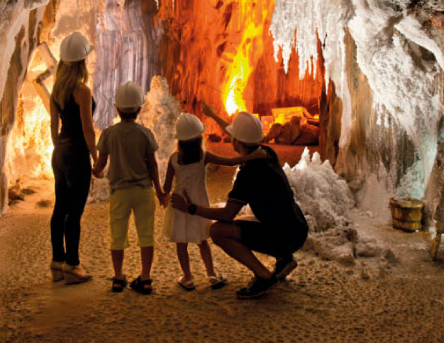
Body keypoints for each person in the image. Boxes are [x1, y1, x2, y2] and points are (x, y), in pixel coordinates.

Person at [172, 108, 309, 299]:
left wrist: (191, 208)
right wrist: (212, 114)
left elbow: (227, 214)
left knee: (217, 231)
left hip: (285, 236)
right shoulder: (266, 153)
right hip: (297, 226)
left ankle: (264, 276)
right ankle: (284, 259)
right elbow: (239, 135)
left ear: (237, 142)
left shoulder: (248, 174)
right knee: (248, 217)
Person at [92, 81, 164, 294]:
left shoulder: (108, 134)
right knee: (146, 235)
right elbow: (152, 165)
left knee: (117, 235)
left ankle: (117, 277)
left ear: (117, 108)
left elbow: (100, 166)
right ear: (139, 108)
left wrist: (95, 171)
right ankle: (146, 277)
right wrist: (160, 191)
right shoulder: (145, 133)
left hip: (119, 192)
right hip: (143, 191)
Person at [44, 31, 98, 284]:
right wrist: (95, 156)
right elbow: (88, 128)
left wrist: (59, 151)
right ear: (82, 63)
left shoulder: (57, 90)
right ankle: (73, 265)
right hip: (77, 153)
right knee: (75, 211)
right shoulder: (82, 91)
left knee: (60, 207)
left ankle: (57, 261)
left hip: (61, 152)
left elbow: (53, 127)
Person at [161, 113, 229, 291]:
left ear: (180, 141)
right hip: (199, 204)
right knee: (202, 241)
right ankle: (212, 275)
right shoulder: (203, 157)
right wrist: (247, 159)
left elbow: (167, 187)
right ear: (199, 139)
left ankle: (188, 277)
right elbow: (229, 162)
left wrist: (160, 195)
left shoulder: (174, 159)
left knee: (181, 243)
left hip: (179, 204)